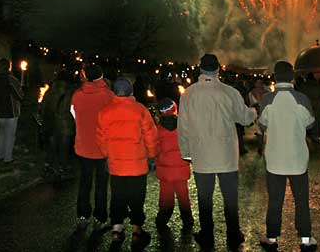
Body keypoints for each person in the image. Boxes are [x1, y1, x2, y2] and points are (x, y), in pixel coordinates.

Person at [178, 53, 257, 250]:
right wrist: (254, 111)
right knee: (230, 197)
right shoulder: (229, 92)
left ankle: (207, 235)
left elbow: (183, 127)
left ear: (200, 69)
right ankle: (233, 234)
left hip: (202, 154)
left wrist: (186, 152)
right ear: (218, 70)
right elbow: (244, 118)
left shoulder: (189, 94)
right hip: (226, 155)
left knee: (204, 199)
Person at [257, 61, 318, 252]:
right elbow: (310, 124)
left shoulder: (267, 100)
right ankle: (306, 239)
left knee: (275, 200)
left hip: (275, 159)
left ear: (275, 77)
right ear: (292, 77)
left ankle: (272, 238)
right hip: (297, 158)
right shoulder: (302, 99)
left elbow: (263, 124)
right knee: (301, 200)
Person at [96, 77, 158, 249]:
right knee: (137, 197)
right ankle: (137, 231)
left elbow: (100, 139)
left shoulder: (105, 112)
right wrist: (152, 156)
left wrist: (107, 154)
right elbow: (151, 136)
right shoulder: (140, 110)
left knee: (117, 196)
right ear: (131, 91)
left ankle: (116, 230)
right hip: (137, 165)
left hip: (116, 165)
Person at [71, 64, 115, 230]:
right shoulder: (109, 96)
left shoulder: (77, 95)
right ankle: (100, 216)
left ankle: (83, 214)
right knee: (102, 184)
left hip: (83, 146)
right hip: (103, 147)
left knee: (84, 181)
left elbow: (74, 115)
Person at [154, 98, 194, 232]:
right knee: (183, 195)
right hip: (181, 167)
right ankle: (187, 219)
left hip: (165, 170)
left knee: (165, 196)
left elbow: (155, 149)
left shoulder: (158, 130)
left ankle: (162, 218)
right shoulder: (184, 126)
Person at [40, 69, 76, 177]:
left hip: (51, 123)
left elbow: (43, 106)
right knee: (63, 148)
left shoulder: (50, 90)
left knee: (52, 146)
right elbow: (73, 109)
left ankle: (50, 165)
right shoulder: (70, 92)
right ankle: (62, 167)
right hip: (65, 124)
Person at [0, 58, 23, 163]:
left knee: (2, 132)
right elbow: (19, 96)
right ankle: (8, 157)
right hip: (11, 111)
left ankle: (0, 154)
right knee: (10, 135)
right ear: (8, 67)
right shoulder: (11, 80)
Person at [297, 73, 320, 142]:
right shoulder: (317, 86)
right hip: (316, 105)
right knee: (317, 120)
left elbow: (300, 95)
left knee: (306, 119)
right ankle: (316, 135)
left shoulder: (303, 86)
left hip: (307, 105)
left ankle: (307, 136)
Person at [248, 78, 269, 155]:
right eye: (257, 83)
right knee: (260, 132)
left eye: (260, 83)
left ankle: (266, 148)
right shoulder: (251, 93)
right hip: (258, 115)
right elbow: (251, 105)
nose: (259, 85)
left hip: (266, 114)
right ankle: (260, 148)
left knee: (266, 132)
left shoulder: (267, 93)